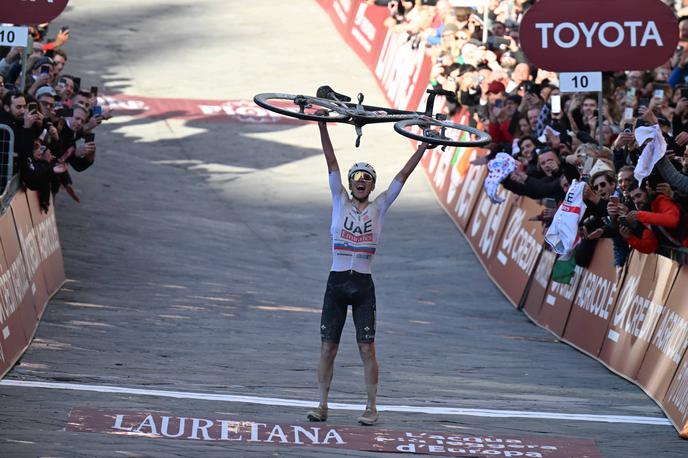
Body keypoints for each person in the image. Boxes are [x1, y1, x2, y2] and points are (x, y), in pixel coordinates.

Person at [307, 119, 430, 426]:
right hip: (336, 283)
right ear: (350, 183)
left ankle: (372, 407)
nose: (361, 180)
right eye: (356, 177)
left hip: (363, 285)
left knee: (367, 349)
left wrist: (425, 146)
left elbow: (403, 175)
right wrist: (322, 125)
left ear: (373, 185)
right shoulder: (339, 200)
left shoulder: (380, 206)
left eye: (367, 178)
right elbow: (331, 161)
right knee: (327, 348)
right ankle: (322, 405)